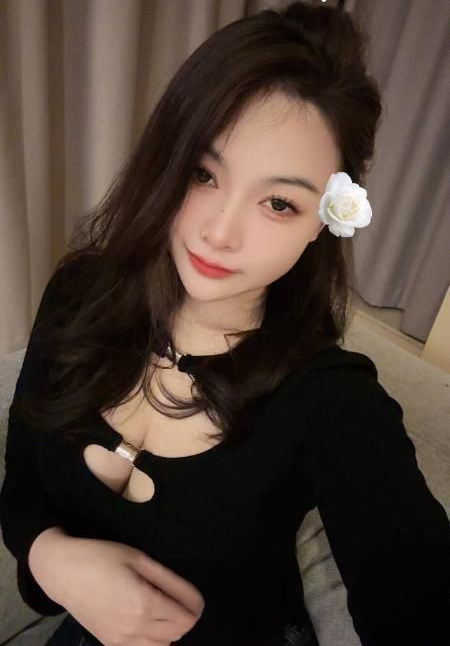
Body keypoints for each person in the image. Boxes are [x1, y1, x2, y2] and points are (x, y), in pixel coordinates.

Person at [1, 1, 449, 645]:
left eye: (278, 202)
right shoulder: (80, 295)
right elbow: (21, 484)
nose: (220, 231)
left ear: (324, 221)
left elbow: (413, 580)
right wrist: (49, 556)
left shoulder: (329, 399)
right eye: (203, 173)